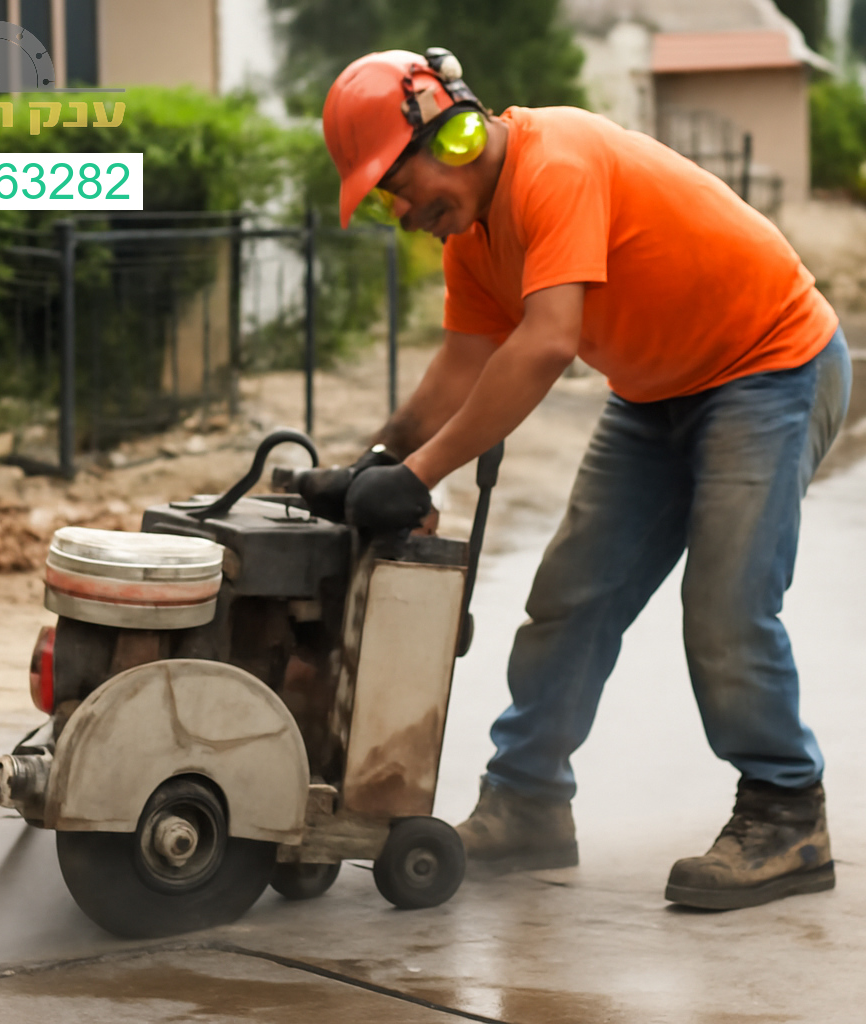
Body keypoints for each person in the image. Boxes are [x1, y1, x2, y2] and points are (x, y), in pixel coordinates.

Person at [298, 48, 853, 911]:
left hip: (770, 366)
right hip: (656, 394)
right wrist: (374, 461)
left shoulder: (554, 163)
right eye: (384, 200)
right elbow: (465, 364)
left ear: (454, 133)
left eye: (397, 186)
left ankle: (787, 813)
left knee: (724, 604)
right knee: (569, 599)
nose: (403, 214)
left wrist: (418, 476)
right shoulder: (474, 241)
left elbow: (548, 342)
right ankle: (527, 804)